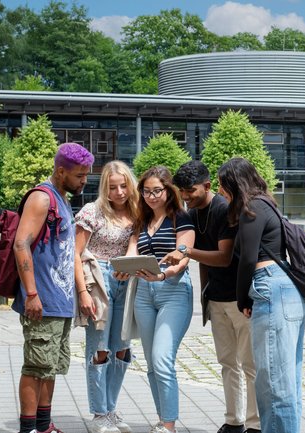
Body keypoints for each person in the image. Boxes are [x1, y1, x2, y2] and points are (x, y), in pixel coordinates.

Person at [164, 161, 260, 433]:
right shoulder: (192, 212)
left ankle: (255, 424)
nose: (185, 196)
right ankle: (234, 421)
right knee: (228, 363)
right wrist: (205, 298)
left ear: (207, 186)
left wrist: (186, 252)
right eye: (181, 191)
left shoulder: (224, 209)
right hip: (216, 298)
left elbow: (224, 256)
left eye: (190, 190)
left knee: (249, 364)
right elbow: (205, 264)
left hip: (241, 299)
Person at [217, 157, 305, 433]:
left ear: (233, 184)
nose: (221, 192)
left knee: (272, 385)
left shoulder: (252, 208)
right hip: (289, 289)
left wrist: (242, 298)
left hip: (270, 287)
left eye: (223, 186)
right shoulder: (269, 204)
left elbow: (247, 259)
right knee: (288, 381)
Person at [12, 143, 94, 433]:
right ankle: (28, 429)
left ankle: (44, 426)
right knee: (35, 367)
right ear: (61, 171)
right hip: (41, 301)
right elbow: (20, 243)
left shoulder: (62, 198)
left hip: (59, 302)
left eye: (86, 174)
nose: (84, 180)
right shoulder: (42, 198)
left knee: (50, 367)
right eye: (80, 175)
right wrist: (31, 294)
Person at [117, 166, 195, 433]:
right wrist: (123, 268)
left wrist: (163, 275)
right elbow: (131, 251)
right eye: (146, 191)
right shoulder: (141, 220)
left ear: (168, 190)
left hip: (173, 290)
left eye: (157, 191)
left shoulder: (181, 218)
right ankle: (162, 421)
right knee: (151, 362)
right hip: (143, 293)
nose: (151, 196)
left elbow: (183, 257)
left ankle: (170, 425)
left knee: (162, 359)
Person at [74, 161, 141, 433]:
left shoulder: (137, 212)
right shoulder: (93, 211)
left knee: (122, 348)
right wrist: (82, 293)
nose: (119, 192)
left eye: (124, 185)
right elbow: (75, 255)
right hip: (98, 279)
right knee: (100, 348)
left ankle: (111, 408)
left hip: (126, 277)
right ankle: (99, 412)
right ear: (105, 187)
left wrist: (130, 262)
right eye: (113, 187)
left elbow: (134, 244)